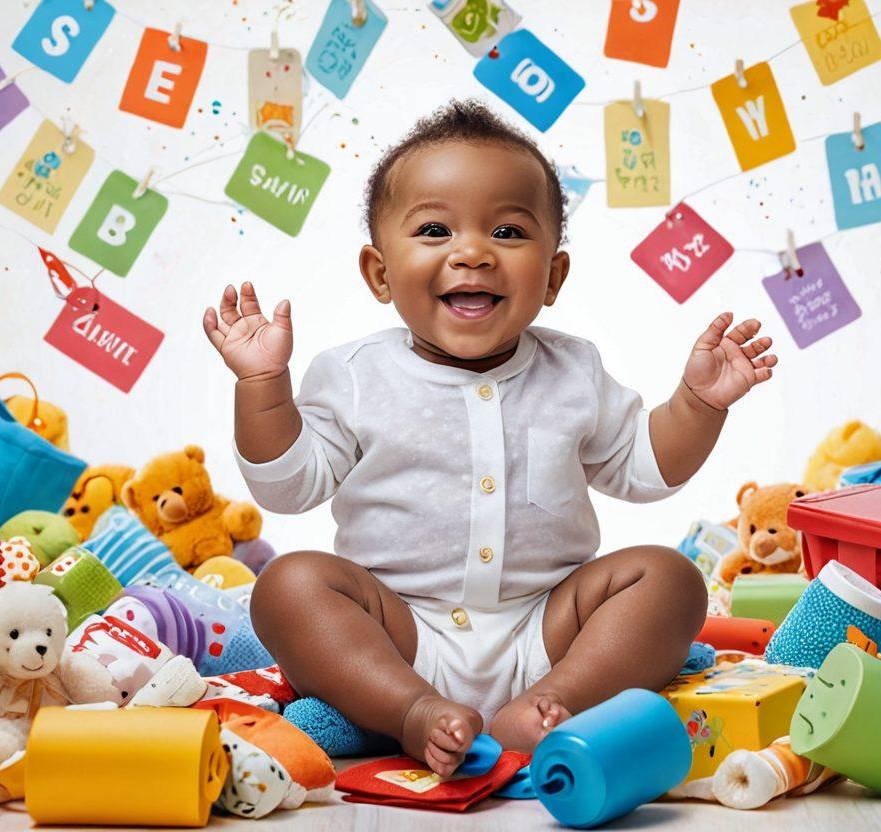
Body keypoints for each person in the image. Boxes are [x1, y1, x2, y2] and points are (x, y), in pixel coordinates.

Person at [203, 99, 777, 775]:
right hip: (397, 634)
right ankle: (412, 713)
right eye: (435, 230)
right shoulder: (355, 375)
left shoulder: (574, 369)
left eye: (507, 231)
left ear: (554, 276)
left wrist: (699, 403)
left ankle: (547, 705)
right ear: (380, 272)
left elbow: (644, 468)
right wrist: (263, 385)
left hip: (551, 630)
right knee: (288, 586)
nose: (472, 252)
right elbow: (289, 487)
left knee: (671, 579)